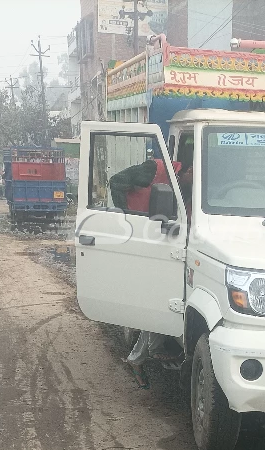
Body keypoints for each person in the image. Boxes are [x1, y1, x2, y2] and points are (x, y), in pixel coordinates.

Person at [109, 153, 191, 389]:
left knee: (161, 302)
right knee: (158, 301)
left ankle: (144, 355)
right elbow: (116, 181)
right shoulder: (154, 169)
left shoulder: (190, 188)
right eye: (194, 172)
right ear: (188, 168)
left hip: (168, 247)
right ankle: (146, 353)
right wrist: (130, 218)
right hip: (145, 243)